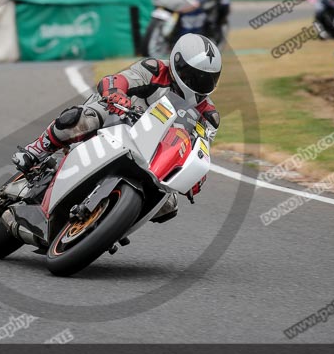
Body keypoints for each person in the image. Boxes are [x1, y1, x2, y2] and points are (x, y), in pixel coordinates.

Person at [13, 33, 222, 220]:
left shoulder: (208, 117)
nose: (199, 84)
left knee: (168, 205)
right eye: (194, 76)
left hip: (153, 155)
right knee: (82, 118)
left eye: (208, 80)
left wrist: (196, 177)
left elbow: (199, 152)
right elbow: (115, 80)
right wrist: (116, 95)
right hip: (119, 119)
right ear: (178, 64)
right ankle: (37, 149)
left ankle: (112, 219)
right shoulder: (155, 69)